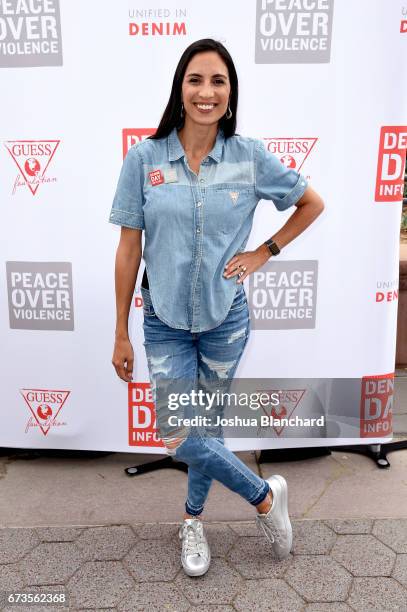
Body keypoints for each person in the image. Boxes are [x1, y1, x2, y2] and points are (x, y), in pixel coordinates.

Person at [109, 38, 324, 577]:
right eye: (196, 80)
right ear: (180, 89)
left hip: (226, 319)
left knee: (205, 427)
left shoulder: (249, 157)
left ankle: (193, 519)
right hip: (163, 323)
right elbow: (129, 248)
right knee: (183, 434)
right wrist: (120, 331)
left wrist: (264, 251)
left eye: (218, 82)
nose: (206, 92)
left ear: (230, 94)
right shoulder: (145, 158)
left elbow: (311, 203)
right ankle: (266, 498)